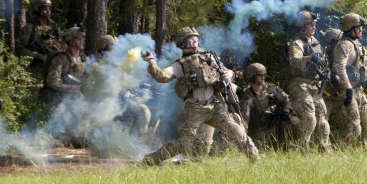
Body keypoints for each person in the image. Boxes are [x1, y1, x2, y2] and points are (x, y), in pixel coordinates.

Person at [141, 27, 259, 165]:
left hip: (215, 106)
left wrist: (229, 75)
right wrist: (151, 61)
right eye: (191, 39)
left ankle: (255, 160)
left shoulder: (209, 57)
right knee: (184, 144)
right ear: (183, 43)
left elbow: (228, 72)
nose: (195, 42)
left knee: (237, 131)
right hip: (195, 109)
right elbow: (161, 76)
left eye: (196, 39)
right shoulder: (181, 65)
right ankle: (151, 160)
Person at [286, 11, 331, 152]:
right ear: (302, 26)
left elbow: (323, 63)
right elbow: (294, 61)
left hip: (315, 85)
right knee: (309, 117)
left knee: (323, 120)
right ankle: (302, 149)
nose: (314, 27)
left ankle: (325, 149)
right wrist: (310, 58)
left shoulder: (315, 43)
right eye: (310, 24)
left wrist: (329, 75)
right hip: (300, 84)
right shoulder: (297, 43)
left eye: (314, 24)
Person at [331, 14, 367, 147]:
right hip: (346, 92)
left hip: (358, 91)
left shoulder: (357, 45)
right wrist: (347, 86)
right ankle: (340, 151)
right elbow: (339, 66)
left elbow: (360, 66)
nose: (361, 30)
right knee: (354, 126)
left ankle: (363, 147)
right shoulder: (345, 45)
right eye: (358, 28)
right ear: (350, 28)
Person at [94, 35, 151, 138]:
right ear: (104, 50)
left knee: (143, 111)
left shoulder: (119, 66)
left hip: (122, 106)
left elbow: (127, 84)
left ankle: (132, 143)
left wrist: (135, 91)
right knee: (104, 140)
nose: (116, 49)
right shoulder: (95, 67)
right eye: (113, 47)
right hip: (102, 110)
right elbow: (87, 89)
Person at [239, 63, 296, 149]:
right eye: (260, 75)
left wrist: (286, 111)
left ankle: (289, 148)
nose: (263, 77)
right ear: (253, 77)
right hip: (259, 131)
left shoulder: (271, 88)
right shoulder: (248, 96)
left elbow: (286, 99)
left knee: (293, 121)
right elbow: (244, 119)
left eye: (264, 75)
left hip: (275, 125)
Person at [16, 0, 63, 81]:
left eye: (49, 8)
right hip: (35, 65)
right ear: (37, 10)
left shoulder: (54, 26)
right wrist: (38, 55)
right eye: (45, 8)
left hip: (53, 63)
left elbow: (60, 43)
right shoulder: (30, 27)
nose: (48, 11)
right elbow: (20, 49)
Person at [40, 26, 87, 105]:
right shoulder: (60, 59)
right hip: (60, 97)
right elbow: (52, 82)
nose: (82, 41)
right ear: (70, 40)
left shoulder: (83, 59)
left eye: (83, 38)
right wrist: (73, 88)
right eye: (79, 38)